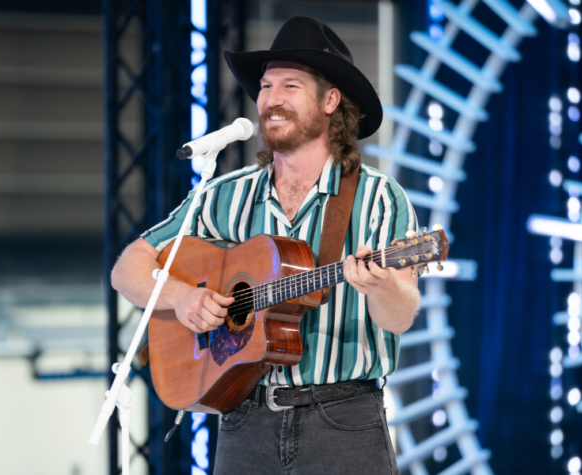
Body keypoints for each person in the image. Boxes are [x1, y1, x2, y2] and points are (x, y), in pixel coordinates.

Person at [112, 16, 420, 474]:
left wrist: (377, 286)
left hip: (343, 423)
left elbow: (400, 318)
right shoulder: (224, 193)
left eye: (290, 86)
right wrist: (183, 297)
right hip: (242, 421)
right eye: (266, 85)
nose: (271, 99)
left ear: (330, 100)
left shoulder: (379, 197)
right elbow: (128, 267)